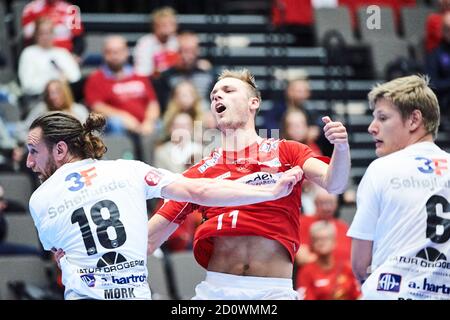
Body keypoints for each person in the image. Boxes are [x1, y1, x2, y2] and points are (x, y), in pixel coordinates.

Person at [26, 111, 302, 300]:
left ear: (60, 150)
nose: (29, 162)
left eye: (33, 151)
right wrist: (270, 190)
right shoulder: (128, 171)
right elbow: (201, 190)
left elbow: (60, 252)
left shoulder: (40, 199)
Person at [148, 68, 351, 300]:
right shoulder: (200, 172)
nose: (217, 96)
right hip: (216, 291)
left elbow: (334, 184)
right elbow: (149, 237)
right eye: (214, 94)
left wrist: (341, 148)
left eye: (228, 90)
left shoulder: (287, 151)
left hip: (273, 292)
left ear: (253, 102)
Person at [347, 75, 450, 300]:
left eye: (382, 118)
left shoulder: (382, 169)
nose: (372, 128)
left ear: (414, 120)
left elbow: (359, 264)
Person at [296, 221, 360, 300]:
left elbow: (359, 296)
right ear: (312, 244)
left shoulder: (347, 269)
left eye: (326, 239)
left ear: (334, 241)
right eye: (317, 239)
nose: (321, 243)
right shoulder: (306, 272)